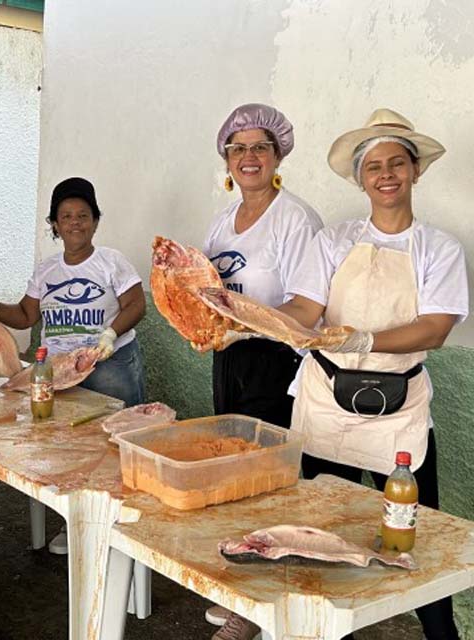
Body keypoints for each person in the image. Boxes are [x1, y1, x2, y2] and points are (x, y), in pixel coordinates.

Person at [279, 108, 466, 640]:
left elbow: (434, 329)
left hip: (397, 413)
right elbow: (304, 309)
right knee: (311, 531)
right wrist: (249, 320)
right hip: (321, 402)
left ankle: (439, 632)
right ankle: (314, 628)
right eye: (374, 166)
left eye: (397, 163)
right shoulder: (334, 241)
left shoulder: (440, 249)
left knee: (413, 538)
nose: (386, 174)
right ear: (361, 178)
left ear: (415, 171)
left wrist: (365, 339)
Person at [0, 177, 146, 553]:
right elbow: (26, 315)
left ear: (96, 221)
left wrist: (110, 336)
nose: (75, 222)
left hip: (107, 365)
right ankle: (73, 523)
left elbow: (136, 305)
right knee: (67, 450)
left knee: (113, 446)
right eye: (66, 216)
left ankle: (117, 526)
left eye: (83, 215)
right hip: (57, 372)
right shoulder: (46, 270)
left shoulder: (111, 262)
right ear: (54, 225)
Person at [203, 104, 323, 639]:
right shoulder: (220, 221)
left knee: (268, 482)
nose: (248, 157)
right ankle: (249, 590)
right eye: (238, 148)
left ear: (277, 155)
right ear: (226, 159)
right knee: (236, 475)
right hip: (229, 359)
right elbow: (206, 293)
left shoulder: (295, 218)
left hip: (279, 362)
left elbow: (306, 307)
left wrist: (245, 327)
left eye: (259, 147)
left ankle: (253, 614)